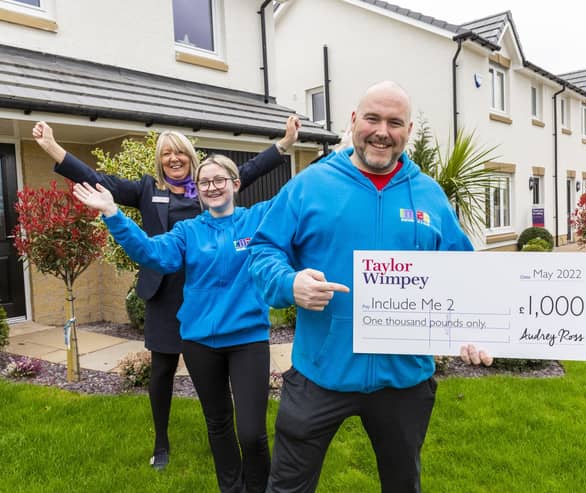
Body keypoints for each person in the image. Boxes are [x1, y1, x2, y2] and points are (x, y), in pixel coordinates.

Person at [248, 81, 491, 493]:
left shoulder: (429, 196)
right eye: (373, 119)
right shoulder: (310, 185)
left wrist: (473, 328)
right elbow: (262, 251)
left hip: (404, 379)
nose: (383, 131)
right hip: (320, 373)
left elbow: (461, 272)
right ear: (354, 121)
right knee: (287, 487)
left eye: (395, 122)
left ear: (408, 130)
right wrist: (289, 283)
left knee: (402, 485)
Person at [32, 117, 299, 471]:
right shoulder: (153, 195)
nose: (174, 158)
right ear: (160, 161)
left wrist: (285, 145)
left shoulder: (219, 191)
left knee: (249, 430)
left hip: (229, 300)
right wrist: (55, 149)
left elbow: (256, 174)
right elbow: (103, 188)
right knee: (168, 375)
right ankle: (164, 443)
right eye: (166, 153)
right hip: (171, 294)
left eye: (180, 152)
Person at [71, 151, 286, 492]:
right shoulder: (188, 231)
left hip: (248, 340)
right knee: (217, 423)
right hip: (200, 343)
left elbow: (302, 193)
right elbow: (150, 253)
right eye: (204, 182)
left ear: (235, 183)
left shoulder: (257, 219)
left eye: (219, 180)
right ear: (197, 190)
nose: (212, 187)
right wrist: (113, 213)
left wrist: (342, 156)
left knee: (252, 432)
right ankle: (231, 488)